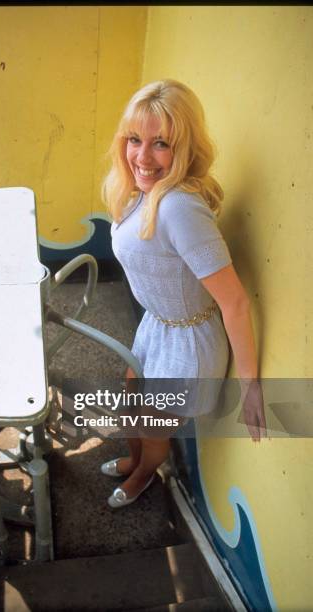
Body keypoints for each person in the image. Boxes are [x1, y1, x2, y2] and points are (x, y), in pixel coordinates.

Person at [101, 79, 266, 509]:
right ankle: (132, 460)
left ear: (185, 147)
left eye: (161, 144)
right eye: (135, 139)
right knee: (131, 404)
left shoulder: (178, 208)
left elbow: (235, 301)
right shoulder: (137, 190)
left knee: (155, 425)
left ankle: (142, 476)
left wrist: (251, 386)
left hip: (187, 345)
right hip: (157, 324)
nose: (141, 156)